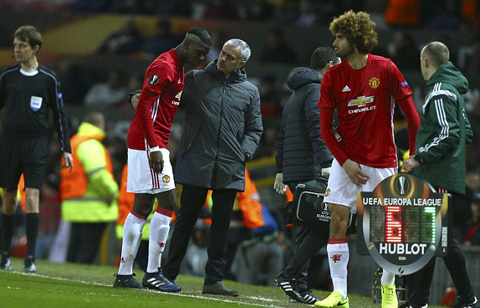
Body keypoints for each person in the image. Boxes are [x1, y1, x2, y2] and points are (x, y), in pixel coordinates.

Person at [314, 11, 421, 308]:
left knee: (391, 230)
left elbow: (412, 116)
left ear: (357, 39)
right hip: (346, 160)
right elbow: (324, 129)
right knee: (336, 219)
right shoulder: (333, 77)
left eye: (340, 37)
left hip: (383, 161)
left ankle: (388, 287)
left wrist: (412, 154)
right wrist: (345, 161)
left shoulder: (386, 68)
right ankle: (340, 294)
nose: (334, 42)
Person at [162, 38, 263, 296]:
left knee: (221, 227)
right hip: (197, 160)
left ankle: (214, 281)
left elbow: (255, 129)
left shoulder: (250, 92)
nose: (222, 59)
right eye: (223, 54)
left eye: (230, 57)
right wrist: (140, 95)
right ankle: (167, 274)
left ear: (242, 63)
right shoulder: (195, 79)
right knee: (185, 222)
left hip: (229, 166)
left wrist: (244, 152)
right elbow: (168, 97)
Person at [113, 28, 211, 291]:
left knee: (142, 206)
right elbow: (145, 105)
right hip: (149, 142)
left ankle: (125, 273)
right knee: (167, 202)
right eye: (199, 52)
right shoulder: (165, 64)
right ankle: (153, 273)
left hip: (152, 141)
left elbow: (145, 97)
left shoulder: (177, 66)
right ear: (187, 43)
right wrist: (155, 147)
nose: (201, 58)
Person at [402, 41, 478, 308]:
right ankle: (419, 301)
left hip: (437, 176)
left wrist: (420, 158)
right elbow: (465, 132)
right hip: (444, 175)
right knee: (429, 240)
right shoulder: (454, 90)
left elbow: (450, 133)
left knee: (441, 240)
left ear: (426, 61)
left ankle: (468, 299)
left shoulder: (438, 91)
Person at [0, 25, 73, 273]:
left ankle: (30, 257)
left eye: (22, 45)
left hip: (37, 144)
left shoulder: (48, 79)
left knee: (32, 197)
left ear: (35, 48)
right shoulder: (7, 77)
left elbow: (59, 114)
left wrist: (66, 148)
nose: (17, 49)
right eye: (15, 44)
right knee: (9, 199)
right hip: (10, 143)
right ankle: (5, 254)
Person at [273, 47, 339, 305]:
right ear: (331, 65)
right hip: (310, 168)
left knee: (306, 229)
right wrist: (326, 162)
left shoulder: (297, 92)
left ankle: (297, 286)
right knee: (318, 226)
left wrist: (280, 169)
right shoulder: (315, 90)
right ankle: (295, 281)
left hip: (295, 170)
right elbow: (317, 125)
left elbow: (282, 133)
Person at [60, 112, 118, 264]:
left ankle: (66, 279)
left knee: (75, 249)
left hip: (75, 204)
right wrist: (113, 192)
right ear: (100, 125)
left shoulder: (74, 142)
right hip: (93, 208)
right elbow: (98, 175)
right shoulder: (91, 145)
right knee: (87, 252)